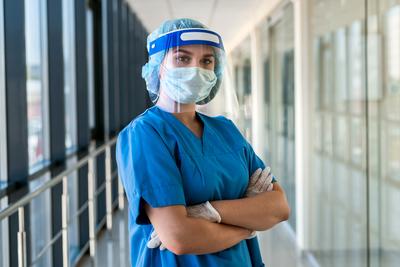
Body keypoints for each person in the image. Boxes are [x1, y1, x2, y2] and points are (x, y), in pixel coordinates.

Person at [115, 18, 290, 267]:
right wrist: (248, 224)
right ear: (158, 67)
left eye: (206, 61)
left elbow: (279, 206)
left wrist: (208, 211)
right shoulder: (145, 134)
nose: (196, 68)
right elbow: (179, 237)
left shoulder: (226, 130)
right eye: (182, 58)